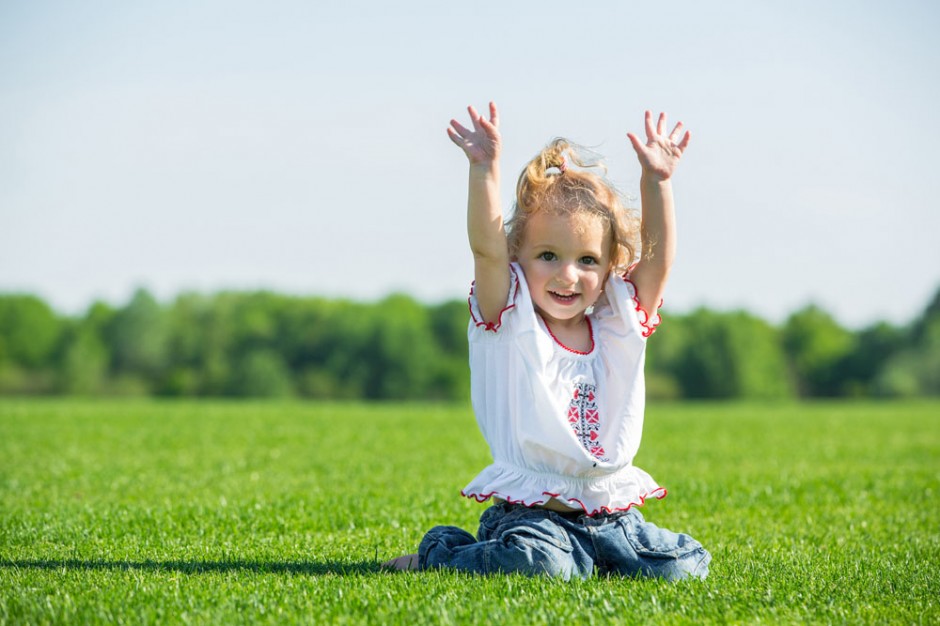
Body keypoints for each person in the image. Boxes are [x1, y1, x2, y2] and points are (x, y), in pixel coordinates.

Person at [383, 102, 710, 581]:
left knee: (683, 566)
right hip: (531, 516)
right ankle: (443, 551)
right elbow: (486, 250)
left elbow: (659, 263)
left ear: (610, 264)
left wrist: (657, 181)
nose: (567, 275)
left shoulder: (618, 320)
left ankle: (589, 560)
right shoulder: (509, 316)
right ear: (519, 254)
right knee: (541, 565)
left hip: (611, 518)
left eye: (587, 260)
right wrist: (484, 170)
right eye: (548, 256)